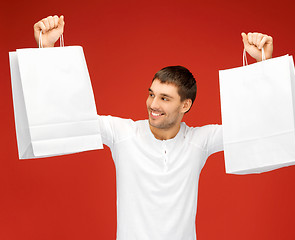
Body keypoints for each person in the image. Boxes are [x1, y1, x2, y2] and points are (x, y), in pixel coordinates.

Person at [33, 15, 273, 240]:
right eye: (151, 94)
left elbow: (256, 128)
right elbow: (68, 117)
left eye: (165, 98)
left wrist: (264, 65)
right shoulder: (122, 133)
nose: (152, 104)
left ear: (185, 105)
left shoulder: (200, 140)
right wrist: (47, 50)